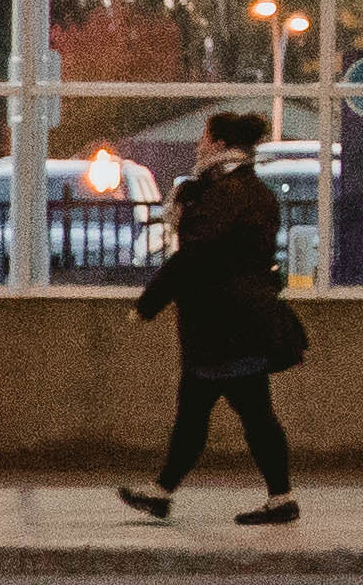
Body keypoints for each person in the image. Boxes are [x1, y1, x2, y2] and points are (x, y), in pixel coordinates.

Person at [115, 110, 310, 530]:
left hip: (224, 326)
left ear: (220, 145)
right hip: (239, 321)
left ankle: (274, 497)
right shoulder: (253, 191)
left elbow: (194, 256)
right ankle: (168, 491)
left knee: (236, 413)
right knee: (222, 413)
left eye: (204, 139)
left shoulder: (223, 195)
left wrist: (149, 302)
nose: (198, 146)